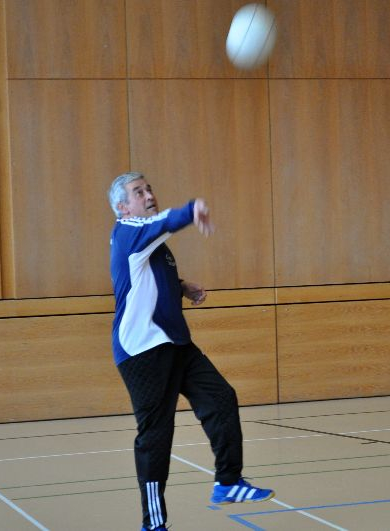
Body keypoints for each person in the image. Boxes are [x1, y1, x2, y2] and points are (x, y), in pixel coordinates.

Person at [107, 172, 274, 531]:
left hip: (175, 343)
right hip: (143, 350)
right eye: (138, 192)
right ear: (123, 207)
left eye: (149, 188)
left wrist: (180, 285)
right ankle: (154, 524)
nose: (148, 195)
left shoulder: (149, 241)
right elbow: (162, 223)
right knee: (156, 435)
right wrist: (190, 209)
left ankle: (228, 481)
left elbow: (144, 276)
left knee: (220, 398)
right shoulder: (128, 231)